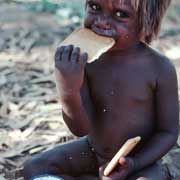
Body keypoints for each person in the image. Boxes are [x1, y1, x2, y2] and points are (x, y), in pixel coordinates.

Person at [22, 0, 179, 179]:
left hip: (138, 162)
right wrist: (68, 89)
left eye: (121, 14)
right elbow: (80, 129)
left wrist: (135, 164)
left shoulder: (159, 68)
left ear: (148, 22)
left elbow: (168, 133)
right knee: (35, 167)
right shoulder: (87, 61)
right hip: (92, 151)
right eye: (95, 7)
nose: (101, 21)